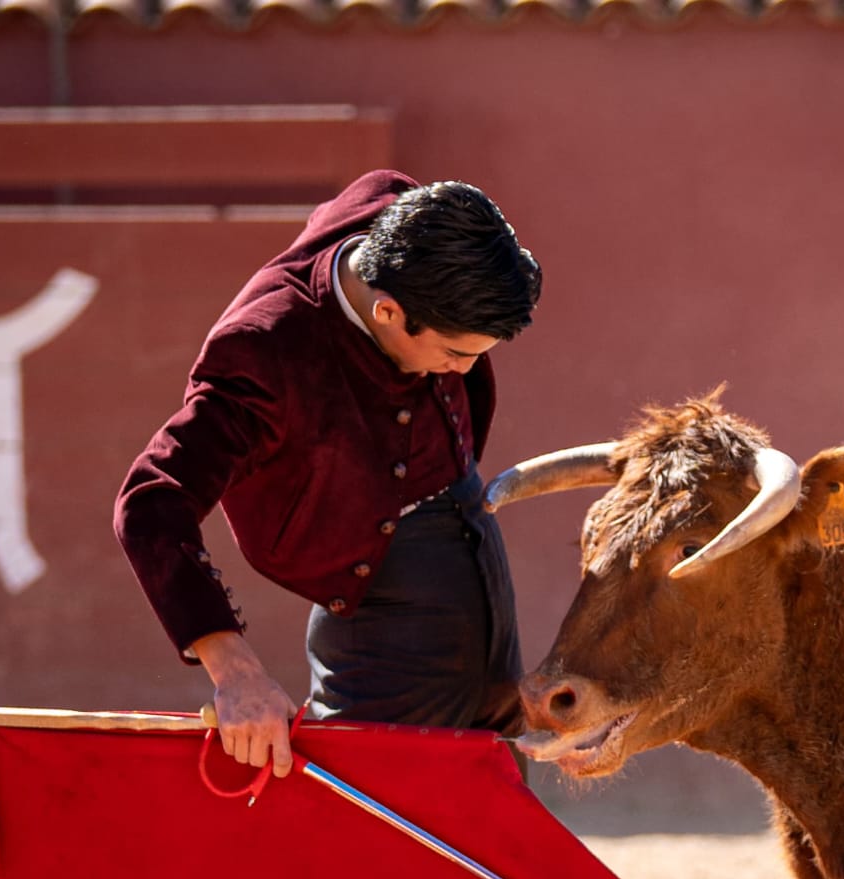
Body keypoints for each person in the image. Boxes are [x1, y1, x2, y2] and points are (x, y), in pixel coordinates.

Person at [115, 172, 542, 779]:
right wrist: (233, 668)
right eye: (455, 354)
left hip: (476, 553)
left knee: (497, 803)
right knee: (383, 826)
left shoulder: (402, 217)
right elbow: (150, 503)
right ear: (388, 310)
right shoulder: (265, 353)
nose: (464, 370)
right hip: (383, 612)